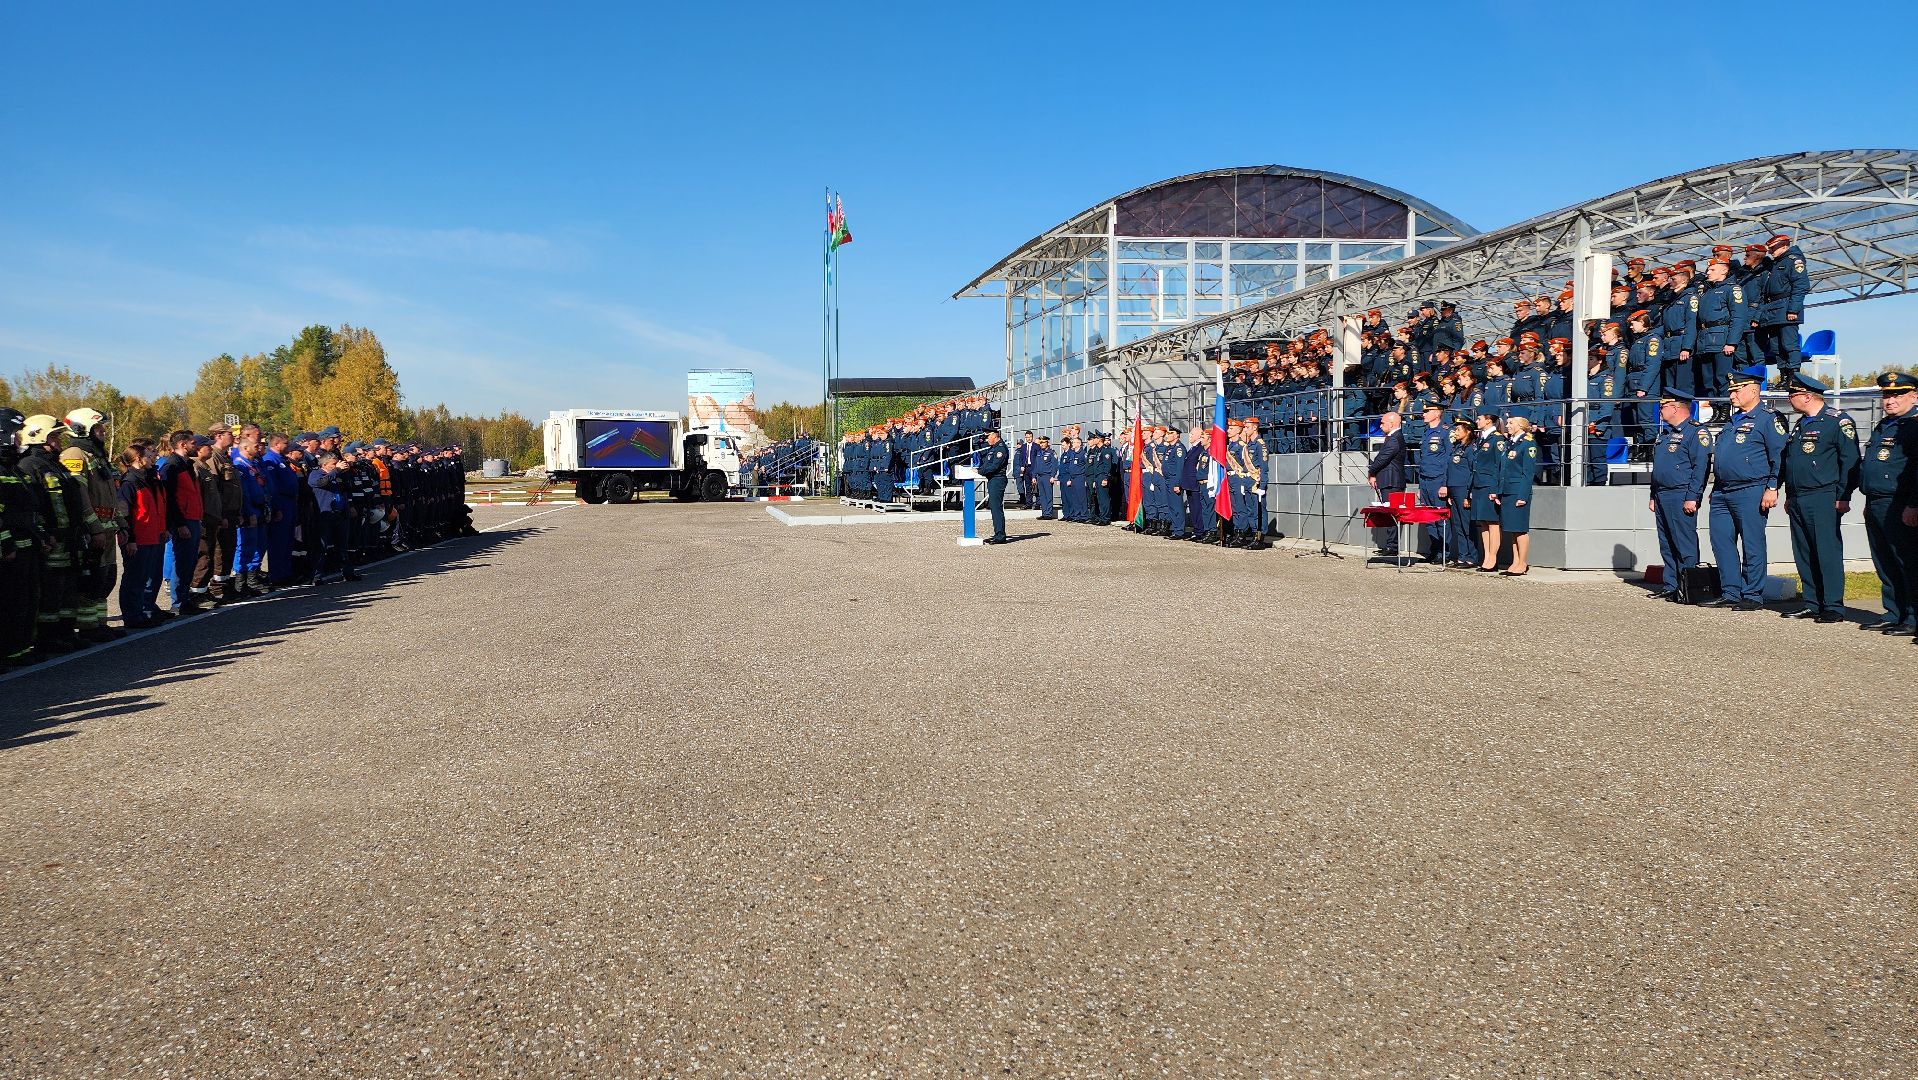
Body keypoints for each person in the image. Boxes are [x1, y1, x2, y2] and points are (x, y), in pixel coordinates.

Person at [1779, 375, 1861, 622]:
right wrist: (1788, 494)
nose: (1789, 399)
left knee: (1827, 551)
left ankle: (1833, 605)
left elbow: (1850, 461)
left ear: (1807, 396)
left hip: (1824, 495)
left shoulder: (1837, 421)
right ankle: (1812, 603)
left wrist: (1844, 495)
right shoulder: (1800, 424)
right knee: (1803, 551)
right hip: (1798, 496)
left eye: (1792, 395)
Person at [1706, 370, 1787, 610]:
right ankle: (1731, 591)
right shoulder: (1733, 420)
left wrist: (1772, 486)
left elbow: (1779, 456)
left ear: (1754, 390)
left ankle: (1752, 594)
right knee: (1721, 540)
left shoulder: (1768, 418)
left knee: (1752, 543)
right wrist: (1716, 486)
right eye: (1730, 390)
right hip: (1722, 490)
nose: (1731, 394)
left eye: (1736, 390)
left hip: (1751, 488)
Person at [17, 415, 92, 653]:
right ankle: (48, 639)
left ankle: (65, 633)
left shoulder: (55, 465)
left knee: (68, 590)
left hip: (70, 538)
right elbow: (34, 505)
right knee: (51, 592)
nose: (58, 440)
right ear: (38, 436)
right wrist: (45, 534)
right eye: (53, 436)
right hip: (52, 540)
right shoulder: (30, 466)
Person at [1857, 371, 1918, 634]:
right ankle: (1894, 611)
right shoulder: (1884, 425)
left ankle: (1913, 617)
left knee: (1907, 562)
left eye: (1897, 394)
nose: (1890, 400)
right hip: (1877, 501)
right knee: (1884, 560)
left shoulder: (1915, 426)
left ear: (1914, 395)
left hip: (1901, 503)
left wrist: (1914, 504)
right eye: (1886, 395)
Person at [58, 408, 124, 641]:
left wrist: (121, 524)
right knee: (91, 580)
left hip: (107, 528)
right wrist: (94, 528)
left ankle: (99, 623)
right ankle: (88, 628)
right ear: (82, 429)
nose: (103, 432)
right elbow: (80, 496)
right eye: (98, 428)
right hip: (94, 530)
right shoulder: (75, 454)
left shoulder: (96, 456)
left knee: (106, 578)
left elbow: (110, 494)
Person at [1648, 391, 1712, 602]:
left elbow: (1700, 468)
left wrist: (1693, 497)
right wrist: (1652, 494)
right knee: (1666, 542)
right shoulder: (1665, 434)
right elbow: (1658, 468)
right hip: (1662, 494)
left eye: (1663, 407)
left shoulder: (1696, 433)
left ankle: (1689, 585)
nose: (1660, 410)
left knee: (1683, 542)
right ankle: (1672, 584)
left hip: (1681, 493)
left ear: (1675, 408)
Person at [0, 408, 47, 666]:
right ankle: (8, 651)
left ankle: (20, 649)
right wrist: (6, 543)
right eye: (16, 436)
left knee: (26, 600)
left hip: (27, 547)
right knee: (10, 602)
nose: (20, 441)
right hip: (11, 551)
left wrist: (41, 536)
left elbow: (29, 509)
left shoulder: (14, 469)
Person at [115, 442, 168, 628]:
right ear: (138, 458)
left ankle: (143, 612)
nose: (153, 457)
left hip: (153, 536)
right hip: (139, 539)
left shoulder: (149, 478)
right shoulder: (129, 482)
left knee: (147, 576)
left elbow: (157, 508)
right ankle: (132, 616)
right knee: (134, 579)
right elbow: (124, 514)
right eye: (148, 454)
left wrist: (163, 529)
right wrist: (130, 539)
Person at [154, 430, 207, 613]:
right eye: (193, 443)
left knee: (190, 561)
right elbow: (170, 499)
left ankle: (184, 599)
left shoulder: (187, 465)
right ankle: (178, 602)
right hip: (183, 521)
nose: (196, 446)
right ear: (183, 445)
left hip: (193, 518)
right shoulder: (171, 466)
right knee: (182, 561)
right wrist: (180, 524)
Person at [1756, 233, 1811, 382]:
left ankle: (1794, 374)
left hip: (1786, 308)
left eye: (1774, 248)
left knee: (1789, 344)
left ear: (1785, 246)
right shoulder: (1774, 264)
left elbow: (1801, 286)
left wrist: (1793, 309)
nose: (1771, 251)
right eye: (1771, 249)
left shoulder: (1794, 261)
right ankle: (1784, 375)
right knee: (1776, 346)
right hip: (1772, 310)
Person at [1494, 415, 1538, 576]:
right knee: (1512, 529)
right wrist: (1500, 491)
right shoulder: (1510, 443)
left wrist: (1523, 495)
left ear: (1520, 425)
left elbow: (1527, 473)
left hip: (1518, 491)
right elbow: (1503, 471)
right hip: (1507, 490)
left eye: (1511, 422)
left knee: (1520, 530)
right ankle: (1515, 561)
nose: (1508, 425)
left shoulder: (1527, 444)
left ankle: (1523, 562)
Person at [1366, 411, 1406, 557]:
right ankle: (1390, 544)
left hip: (1392, 481)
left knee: (1393, 514)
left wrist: (1371, 471)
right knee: (1390, 514)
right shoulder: (1392, 438)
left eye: (1383, 423)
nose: (1381, 425)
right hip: (1388, 480)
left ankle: (1393, 546)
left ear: (1392, 423)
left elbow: (1383, 458)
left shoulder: (1395, 439)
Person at [1442, 417, 1478, 568]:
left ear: (1468, 430)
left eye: (1458, 429)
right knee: (1457, 524)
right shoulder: (1457, 447)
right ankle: (1462, 556)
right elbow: (1451, 469)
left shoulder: (1472, 448)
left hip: (1464, 489)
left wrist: (1468, 494)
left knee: (1466, 523)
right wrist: (1449, 490)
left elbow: (1472, 471)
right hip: (1454, 488)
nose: (1455, 432)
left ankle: (1472, 557)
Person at [1414, 401, 1448, 560]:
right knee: (1428, 518)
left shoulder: (1446, 432)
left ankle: (1444, 553)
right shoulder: (1426, 432)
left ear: (1437, 413)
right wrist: (1421, 486)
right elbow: (1423, 460)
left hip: (1438, 480)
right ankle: (1434, 550)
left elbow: (1448, 459)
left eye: (1428, 411)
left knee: (1440, 518)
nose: (1424, 414)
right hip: (1426, 479)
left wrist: (1445, 484)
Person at [977, 429, 1010, 543]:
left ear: (994, 436)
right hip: (992, 479)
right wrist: (980, 469)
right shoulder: (993, 448)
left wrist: (979, 472)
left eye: (988, 437)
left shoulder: (1001, 449)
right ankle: (998, 533)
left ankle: (1000, 536)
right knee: (994, 507)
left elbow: (995, 466)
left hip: (998, 479)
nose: (987, 440)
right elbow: (987, 464)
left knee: (996, 508)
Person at [1031, 435, 1057, 520]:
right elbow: (1036, 466)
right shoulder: (1039, 453)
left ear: (1047, 443)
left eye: (1043, 442)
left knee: (1048, 495)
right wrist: (1034, 476)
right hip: (1040, 477)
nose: (1041, 444)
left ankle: (1048, 514)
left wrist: (1053, 476)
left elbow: (1054, 465)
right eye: (1040, 443)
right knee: (1042, 496)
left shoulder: (1052, 453)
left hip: (1047, 476)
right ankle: (1044, 512)